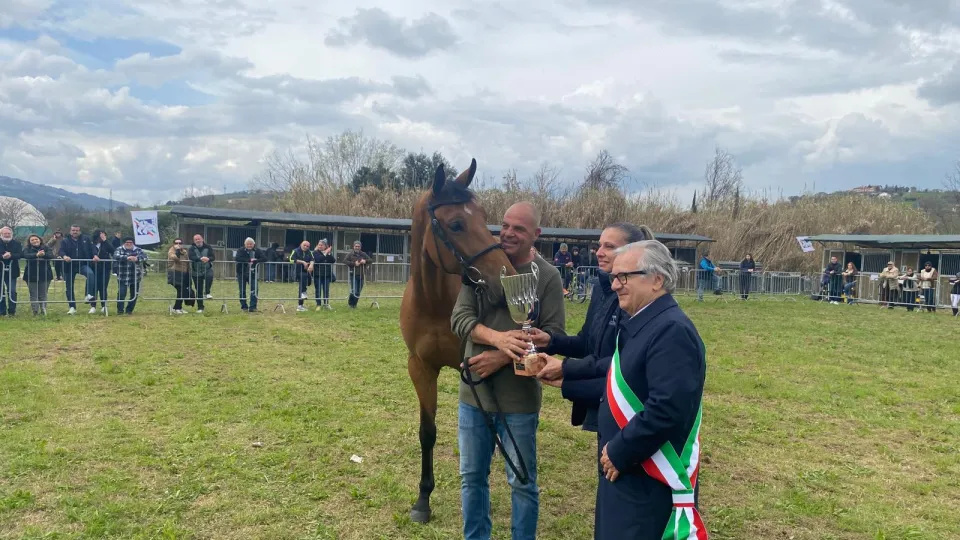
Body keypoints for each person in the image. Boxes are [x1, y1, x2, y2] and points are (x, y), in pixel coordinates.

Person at [450, 201, 566, 540]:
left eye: (519, 228)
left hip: (520, 400)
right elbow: (460, 319)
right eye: (506, 225)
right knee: (471, 477)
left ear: (536, 235)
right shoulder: (478, 267)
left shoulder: (547, 276)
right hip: (474, 396)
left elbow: (553, 335)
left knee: (523, 482)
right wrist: (498, 339)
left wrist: (501, 357)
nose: (509, 233)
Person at [595, 240, 708, 540]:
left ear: (657, 279)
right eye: (614, 277)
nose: (616, 285)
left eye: (625, 277)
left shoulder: (671, 330)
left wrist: (621, 450)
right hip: (631, 477)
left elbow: (668, 407)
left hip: (648, 485)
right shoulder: (644, 322)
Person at [530, 223, 654, 435]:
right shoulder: (601, 288)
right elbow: (586, 342)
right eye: (599, 246)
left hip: (628, 404)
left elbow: (624, 361)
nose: (599, 253)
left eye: (609, 246)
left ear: (632, 252)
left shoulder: (634, 297)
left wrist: (566, 369)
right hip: (601, 398)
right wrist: (550, 341)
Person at [59, 225, 97, 314]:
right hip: (69, 266)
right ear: (70, 231)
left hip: (83, 264)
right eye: (73, 230)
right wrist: (64, 256)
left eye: (76, 230)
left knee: (90, 274)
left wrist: (95, 255)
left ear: (79, 231)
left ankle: (88, 294)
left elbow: (93, 248)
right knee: (69, 287)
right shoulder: (65, 240)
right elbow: (61, 251)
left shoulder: (86, 239)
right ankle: (72, 307)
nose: (75, 232)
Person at [113, 237, 147, 315]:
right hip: (122, 275)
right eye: (127, 242)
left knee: (134, 294)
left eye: (130, 242)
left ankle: (129, 310)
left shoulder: (138, 250)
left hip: (135, 276)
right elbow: (116, 256)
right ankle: (120, 311)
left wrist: (137, 258)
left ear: (133, 243)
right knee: (121, 294)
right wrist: (127, 258)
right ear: (124, 243)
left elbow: (145, 257)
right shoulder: (119, 249)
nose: (128, 244)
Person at [22, 234, 54, 315]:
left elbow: (51, 255)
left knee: (43, 294)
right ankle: (35, 311)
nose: (35, 241)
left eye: (36, 239)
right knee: (33, 294)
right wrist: (36, 255)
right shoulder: (27, 249)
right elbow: (25, 255)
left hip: (45, 274)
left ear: (40, 240)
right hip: (31, 275)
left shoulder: (46, 247)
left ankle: (43, 310)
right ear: (29, 242)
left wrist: (44, 255)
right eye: (32, 240)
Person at [235, 237, 265, 312]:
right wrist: (249, 260)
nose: (249, 245)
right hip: (241, 273)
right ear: (245, 244)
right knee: (242, 290)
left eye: (251, 244)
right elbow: (237, 258)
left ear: (254, 244)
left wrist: (256, 261)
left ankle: (253, 307)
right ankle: (244, 306)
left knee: (254, 290)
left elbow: (264, 258)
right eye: (248, 244)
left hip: (253, 273)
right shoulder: (240, 250)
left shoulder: (257, 251)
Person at [188, 234, 216, 313]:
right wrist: (200, 259)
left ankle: (207, 292)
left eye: (199, 239)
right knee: (198, 290)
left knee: (209, 276)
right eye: (196, 239)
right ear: (194, 241)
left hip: (207, 268)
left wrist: (208, 258)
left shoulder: (208, 247)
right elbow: (191, 257)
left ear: (202, 239)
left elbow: (213, 257)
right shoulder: (191, 248)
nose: (198, 240)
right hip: (196, 271)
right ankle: (200, 307)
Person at [89, 229, 113, 314]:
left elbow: (112, 250)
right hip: (93, 268)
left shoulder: (106, 243)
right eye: (100, 235)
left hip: (105, 268)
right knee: (94, 287)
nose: (101, 237)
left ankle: (104, 305)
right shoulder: (91, 244)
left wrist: (105, 240)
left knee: (103, 287)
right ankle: (93, 306)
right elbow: (89, 253)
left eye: (103, 235)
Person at [0, 226, 23, 316]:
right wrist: (2, 257)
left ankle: (12, 311)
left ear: (11, 234)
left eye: (8, 233)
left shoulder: (17, 243)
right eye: (5, 233)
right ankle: (2, 311)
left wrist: (11, 255)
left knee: (12, 291)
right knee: (0, 292)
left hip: (12, 271)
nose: (7, 235)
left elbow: (20, 254)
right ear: (1, 234)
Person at [167, 239, 193, 314]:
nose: (178, 244)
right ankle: (176, 308)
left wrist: (189, 273)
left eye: (180, 243)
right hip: (174, 272)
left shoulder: (184, 252)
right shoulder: (171, 251)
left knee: (181, 291)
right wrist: (177, 250)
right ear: (173, 244)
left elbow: (187, 263)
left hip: (184, 273)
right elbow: (176, 259)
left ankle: (178, 308)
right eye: (176, 243)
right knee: (182, 290)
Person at [344, 240, 370, 309]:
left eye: (358, 246)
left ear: (360, 247)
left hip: (361, 275)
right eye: (356, 246)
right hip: (353, 275)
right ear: (353, 246)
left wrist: (365, 261)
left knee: (358, 291)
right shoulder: (350, 254)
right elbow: (345, 261)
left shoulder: (363, 254)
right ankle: (350, 304)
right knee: (354, 290)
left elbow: (370, 260)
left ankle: (354, 305)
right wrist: (354, 264)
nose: (357, 247)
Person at [290, 240, 314, 312]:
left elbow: (312, 259)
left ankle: (303, 295)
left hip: (306, 272)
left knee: (307, 283)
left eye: (307, 246)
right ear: (301, 244)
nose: (306, 247)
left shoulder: (309, 252)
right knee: (302, 286)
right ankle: (300, 304)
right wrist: (302, 262)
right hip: (297, 272)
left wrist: (311, 265)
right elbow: (291, 259)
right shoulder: (295, 251)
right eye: (304, 245)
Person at [313, 239, 336, 311]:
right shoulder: (315, 252)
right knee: (318, 290)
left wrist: (328, 253)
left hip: (327, 275)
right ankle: (318, 304)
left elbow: (333, 260)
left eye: (321, 245)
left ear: (325, 246)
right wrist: (325, 252)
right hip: (318, 275)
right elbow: (318, 260)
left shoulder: (327, 253)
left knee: (326, 290)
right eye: (319, 245)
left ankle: (326, 304)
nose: (320, 246)